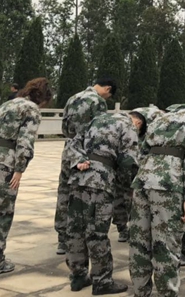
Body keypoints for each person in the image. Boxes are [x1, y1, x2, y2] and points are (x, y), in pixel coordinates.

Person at [128, 96, 185, 297]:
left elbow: (142, 150)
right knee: (166, 243)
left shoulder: (163, 118)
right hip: (168, 183)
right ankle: (167, 293)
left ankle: (140, 292)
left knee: (139, 241)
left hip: (143, 180)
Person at [0, 77, 52, 276]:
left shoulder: (7, 104)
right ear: (42, 98)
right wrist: (20, 169)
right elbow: (25, 140)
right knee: (0, 210)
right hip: (5, 163)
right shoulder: (31, 109)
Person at [64, 110, 144, 294]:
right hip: (101, 180)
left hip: (78, 178)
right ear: (138, 123)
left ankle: (77, 276)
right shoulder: (128, 125)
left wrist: (79, 160)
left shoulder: (96, 119)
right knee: (97, 232)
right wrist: (128, 185)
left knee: (75, 229)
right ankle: (102, 281)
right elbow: (128, 160)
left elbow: (72, 143)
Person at [54, 78, 117, 254]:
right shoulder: (98, 101)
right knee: (83, 195)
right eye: (109, 95)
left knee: (64, 191)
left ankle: (62, 238)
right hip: (87, 152)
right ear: (108, 89)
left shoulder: (73, 98)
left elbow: (64, 127)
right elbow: (100, 129)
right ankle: (81, 236)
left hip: (69, 150)